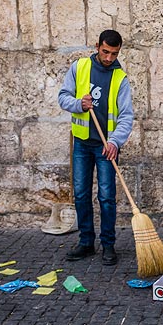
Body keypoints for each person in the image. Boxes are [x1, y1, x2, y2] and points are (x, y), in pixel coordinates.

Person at [58, 30, 134, 265]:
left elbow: (126, 117)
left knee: (106, 197)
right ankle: (86, 242)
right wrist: (79, 103)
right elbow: (63, 97)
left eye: (114, 53)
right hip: (82, 143)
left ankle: (108, 245)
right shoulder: (79, 67)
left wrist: (114, 142)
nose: (109, 58)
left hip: (106, 147)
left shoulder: (120, 79)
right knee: (81, 194)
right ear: (97, 47)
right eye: (105, 52)